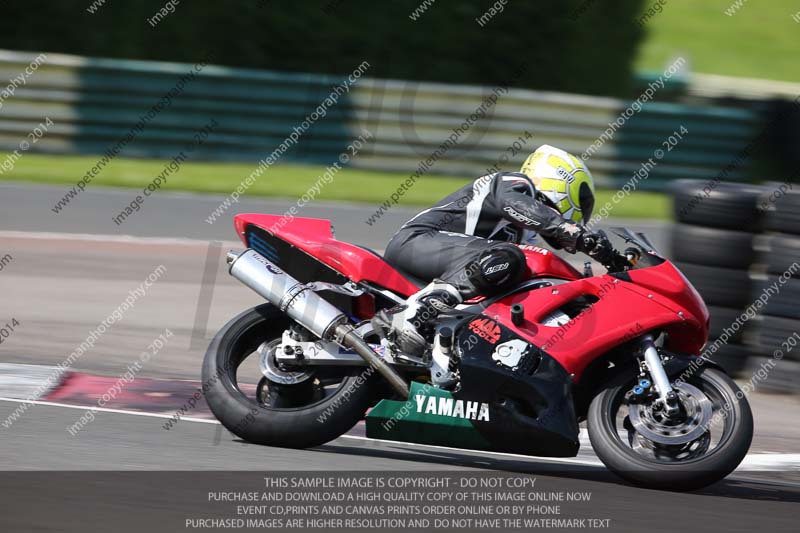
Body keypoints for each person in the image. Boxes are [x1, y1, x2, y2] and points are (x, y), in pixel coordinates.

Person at [373, 144, 619, 355]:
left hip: (448, 266)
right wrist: (570, 230)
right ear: (562, 182)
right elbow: (512, 203)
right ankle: (417, 314)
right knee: (510, 256)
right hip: (418, 242)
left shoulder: (525, 235)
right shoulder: (515, 184)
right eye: (583, 201)